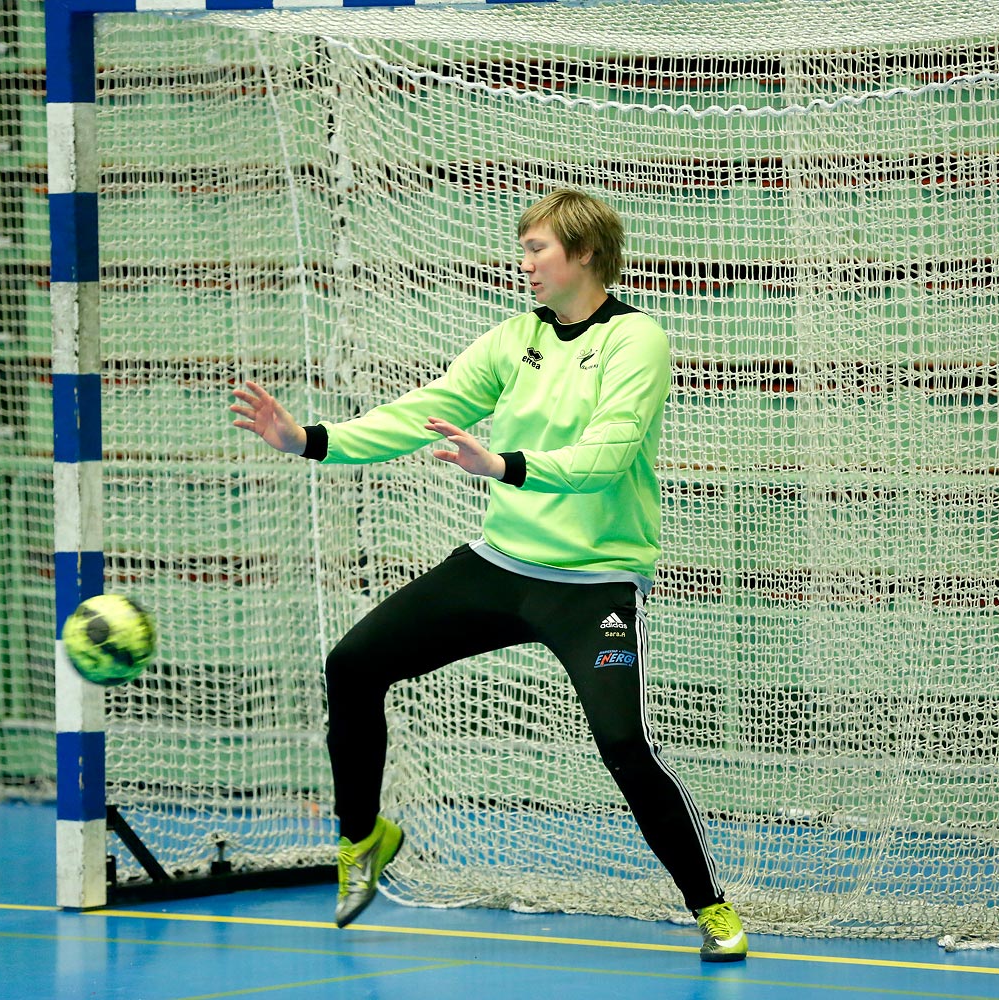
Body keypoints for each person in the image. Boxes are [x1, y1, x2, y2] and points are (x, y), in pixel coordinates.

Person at [230, 189, 747, 962]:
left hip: (594, 586)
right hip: (500, 567)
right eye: (524, 247)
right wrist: (309, 439)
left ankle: (710, 908)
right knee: (353, 664)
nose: (525, 261)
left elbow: (606, 456)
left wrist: (502, 464)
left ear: (583, 254)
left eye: (538, 247)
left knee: (622, 746)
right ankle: (362, 837)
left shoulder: (638, 341)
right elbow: (424, 410)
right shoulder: (514, 340)